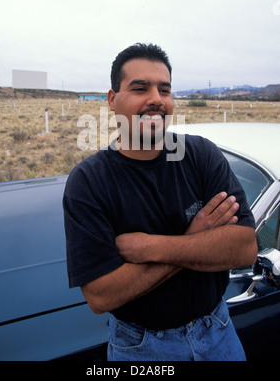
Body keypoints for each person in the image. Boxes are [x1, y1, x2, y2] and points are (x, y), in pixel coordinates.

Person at [63, 43, 257, 361]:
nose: (156, 98)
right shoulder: (89, 182)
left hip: (219, 331)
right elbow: (101, 295)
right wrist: (197, 240)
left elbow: (244, 248)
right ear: (112, 100)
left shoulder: (202, 155)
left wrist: (149, 248)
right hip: (141, 347)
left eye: (164, 89)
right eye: (140, 88)